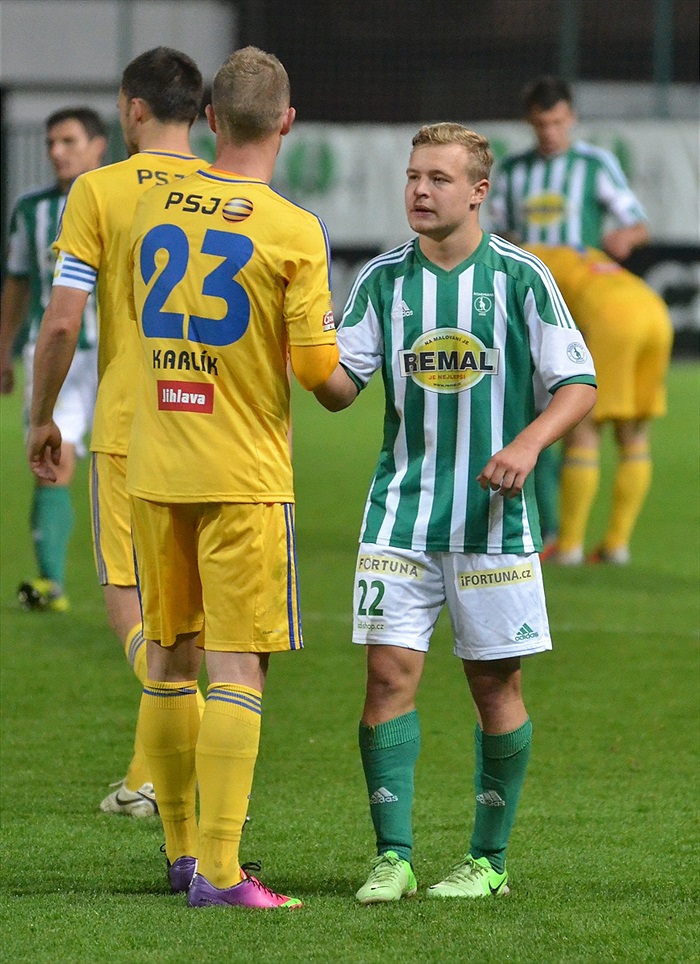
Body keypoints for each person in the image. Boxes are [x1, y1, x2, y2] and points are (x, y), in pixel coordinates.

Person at [313, 123, 596, 901]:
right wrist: (307, 351)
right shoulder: (382, 280)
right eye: (412, 175)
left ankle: (488, 863)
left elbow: (578, 384)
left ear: (477, 191)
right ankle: (393, 856)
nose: (419, 190)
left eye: (438, 177)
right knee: (384, 680)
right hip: (400, 515)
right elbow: (341, 392)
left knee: (493, 686)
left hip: (492, 523)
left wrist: (531, 445)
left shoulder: (521, 278)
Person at [123, 46, 337, 907]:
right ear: (286, 122)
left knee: (169, 660)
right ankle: (218, 870)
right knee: (238, 671)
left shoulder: (146, 207)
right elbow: (321, 376)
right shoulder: (291, 229)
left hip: (156, 461)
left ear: (211, 118)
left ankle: (179, 853)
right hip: (242, 473)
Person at [26, 48, 206, 818]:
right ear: (196, 111)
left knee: (132, 607)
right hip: (219, 432)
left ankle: (198, 744)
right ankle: (146, 779)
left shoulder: (97, 190)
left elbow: (63, 319)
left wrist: (41, 414)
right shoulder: (239, 190)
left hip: (134, 426)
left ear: (132, 110)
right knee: (190, 617)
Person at [490, 75, 665, 565]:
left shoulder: (594, 164)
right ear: (530, 122)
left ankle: (564, 540)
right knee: (541, 418)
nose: (550, 132)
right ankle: (554, 533)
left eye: (558, 122)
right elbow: (502, 236)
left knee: (569, 419)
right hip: (534, 310)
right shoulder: (514, 171)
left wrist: (622, 239)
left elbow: (635, 223)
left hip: (585, 313)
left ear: (572, 119)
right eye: (542, 123)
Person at [1, 107, 107, 612]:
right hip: (56, 356)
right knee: (54, 460)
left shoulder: (121, 200)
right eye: (50, 143)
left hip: (115, 358)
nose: (56, 152)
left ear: (97, 146)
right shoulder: (30, 210)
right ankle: (53, 584)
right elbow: (18, 283)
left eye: (68, 140)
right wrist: (3, 348)